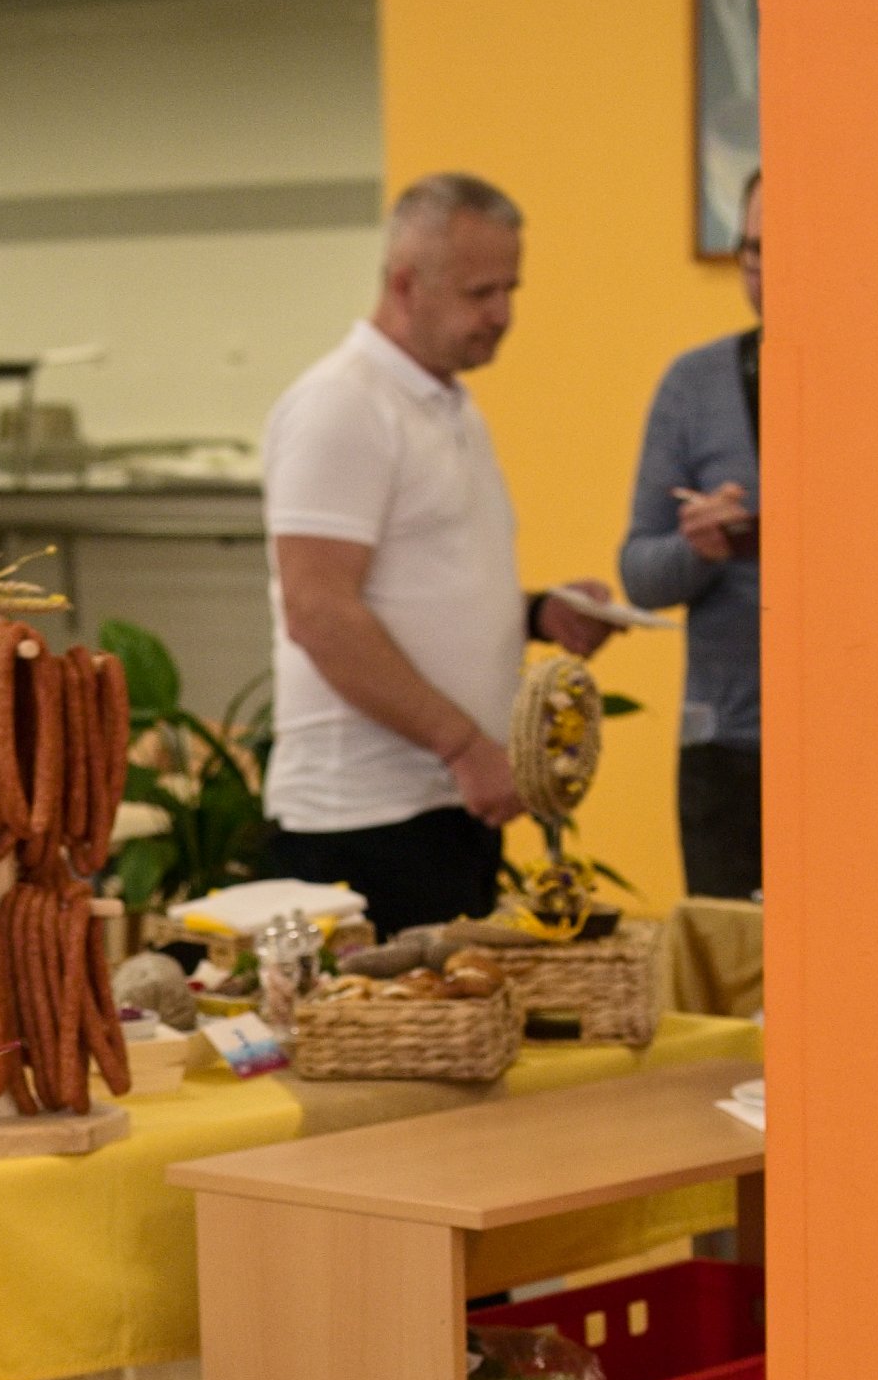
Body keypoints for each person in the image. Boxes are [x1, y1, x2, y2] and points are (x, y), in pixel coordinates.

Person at [256, 172, 619, 942]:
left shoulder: (448, 405)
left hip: (444, 804)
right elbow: (318, 611)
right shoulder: (343, 404)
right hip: (365, 820)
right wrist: (461, 745)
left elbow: (422, 588)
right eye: (480, 293)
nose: (502, 314)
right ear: (403, 284)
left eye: (510, 290)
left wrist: (536, 613)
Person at [620, 165, 763, 895]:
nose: (767, 273)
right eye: (754, 252)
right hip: (726, 743)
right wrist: (697, 550)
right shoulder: (694, 384)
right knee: (729, 953)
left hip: (864, 733)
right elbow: (638, 574)